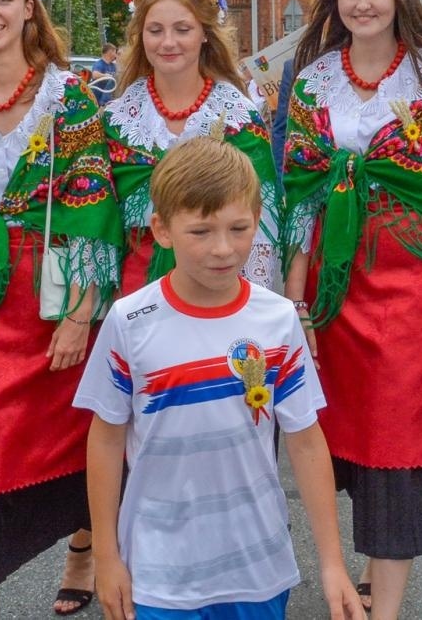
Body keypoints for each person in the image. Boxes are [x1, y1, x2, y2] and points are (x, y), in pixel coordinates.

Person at [280, 0, 422, 620]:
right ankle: (361, 565)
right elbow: (301, 198)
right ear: (334, 1)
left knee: (399, 432)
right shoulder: (313, 79)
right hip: (336, 281)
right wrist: (295, 301)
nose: (364, 3)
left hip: (415, 278)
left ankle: (387, 606)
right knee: (344, 431)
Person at [75, 137, 365, 620]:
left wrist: (333, 563)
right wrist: (106, 556)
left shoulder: (276, 318)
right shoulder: (130, 321)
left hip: (257, 566)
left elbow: (306, 441)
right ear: (161, 230)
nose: (223, 249)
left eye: (239, 228)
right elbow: (105, 440)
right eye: (201, 231)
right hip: (158, 572)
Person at [0, 0, 124, 619]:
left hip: (53, 293)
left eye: (2, 0)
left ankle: (82, 553)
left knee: (79, 440)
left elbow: (92, 201)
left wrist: (80, 313)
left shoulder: (65, 94)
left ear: (28, 9)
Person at [105, 0, 281, 295]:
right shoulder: (118, 119)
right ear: (141, 37)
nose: (168, 42)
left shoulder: (237, 116)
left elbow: (262, 213)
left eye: (182, 29)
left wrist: (255, 296)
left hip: (220, 276)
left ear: (204, 34)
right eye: (155, 30)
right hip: (136, 283)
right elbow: (105, 215)